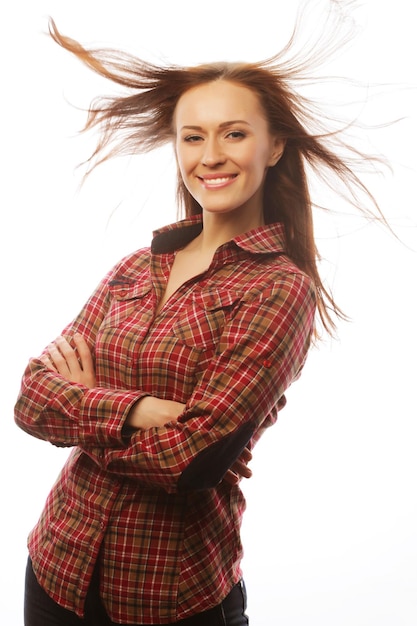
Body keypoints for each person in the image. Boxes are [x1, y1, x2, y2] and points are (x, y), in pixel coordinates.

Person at [15, 8, 385, 626]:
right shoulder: (137, 266)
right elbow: (31, 399)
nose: (210, 156)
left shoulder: (279, 289)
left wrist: (82, 405)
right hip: (57, 568)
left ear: (275, 146)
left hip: (170, 595)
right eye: (193, 137)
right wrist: (133, 411)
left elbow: (191, 462)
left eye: (234, 133)